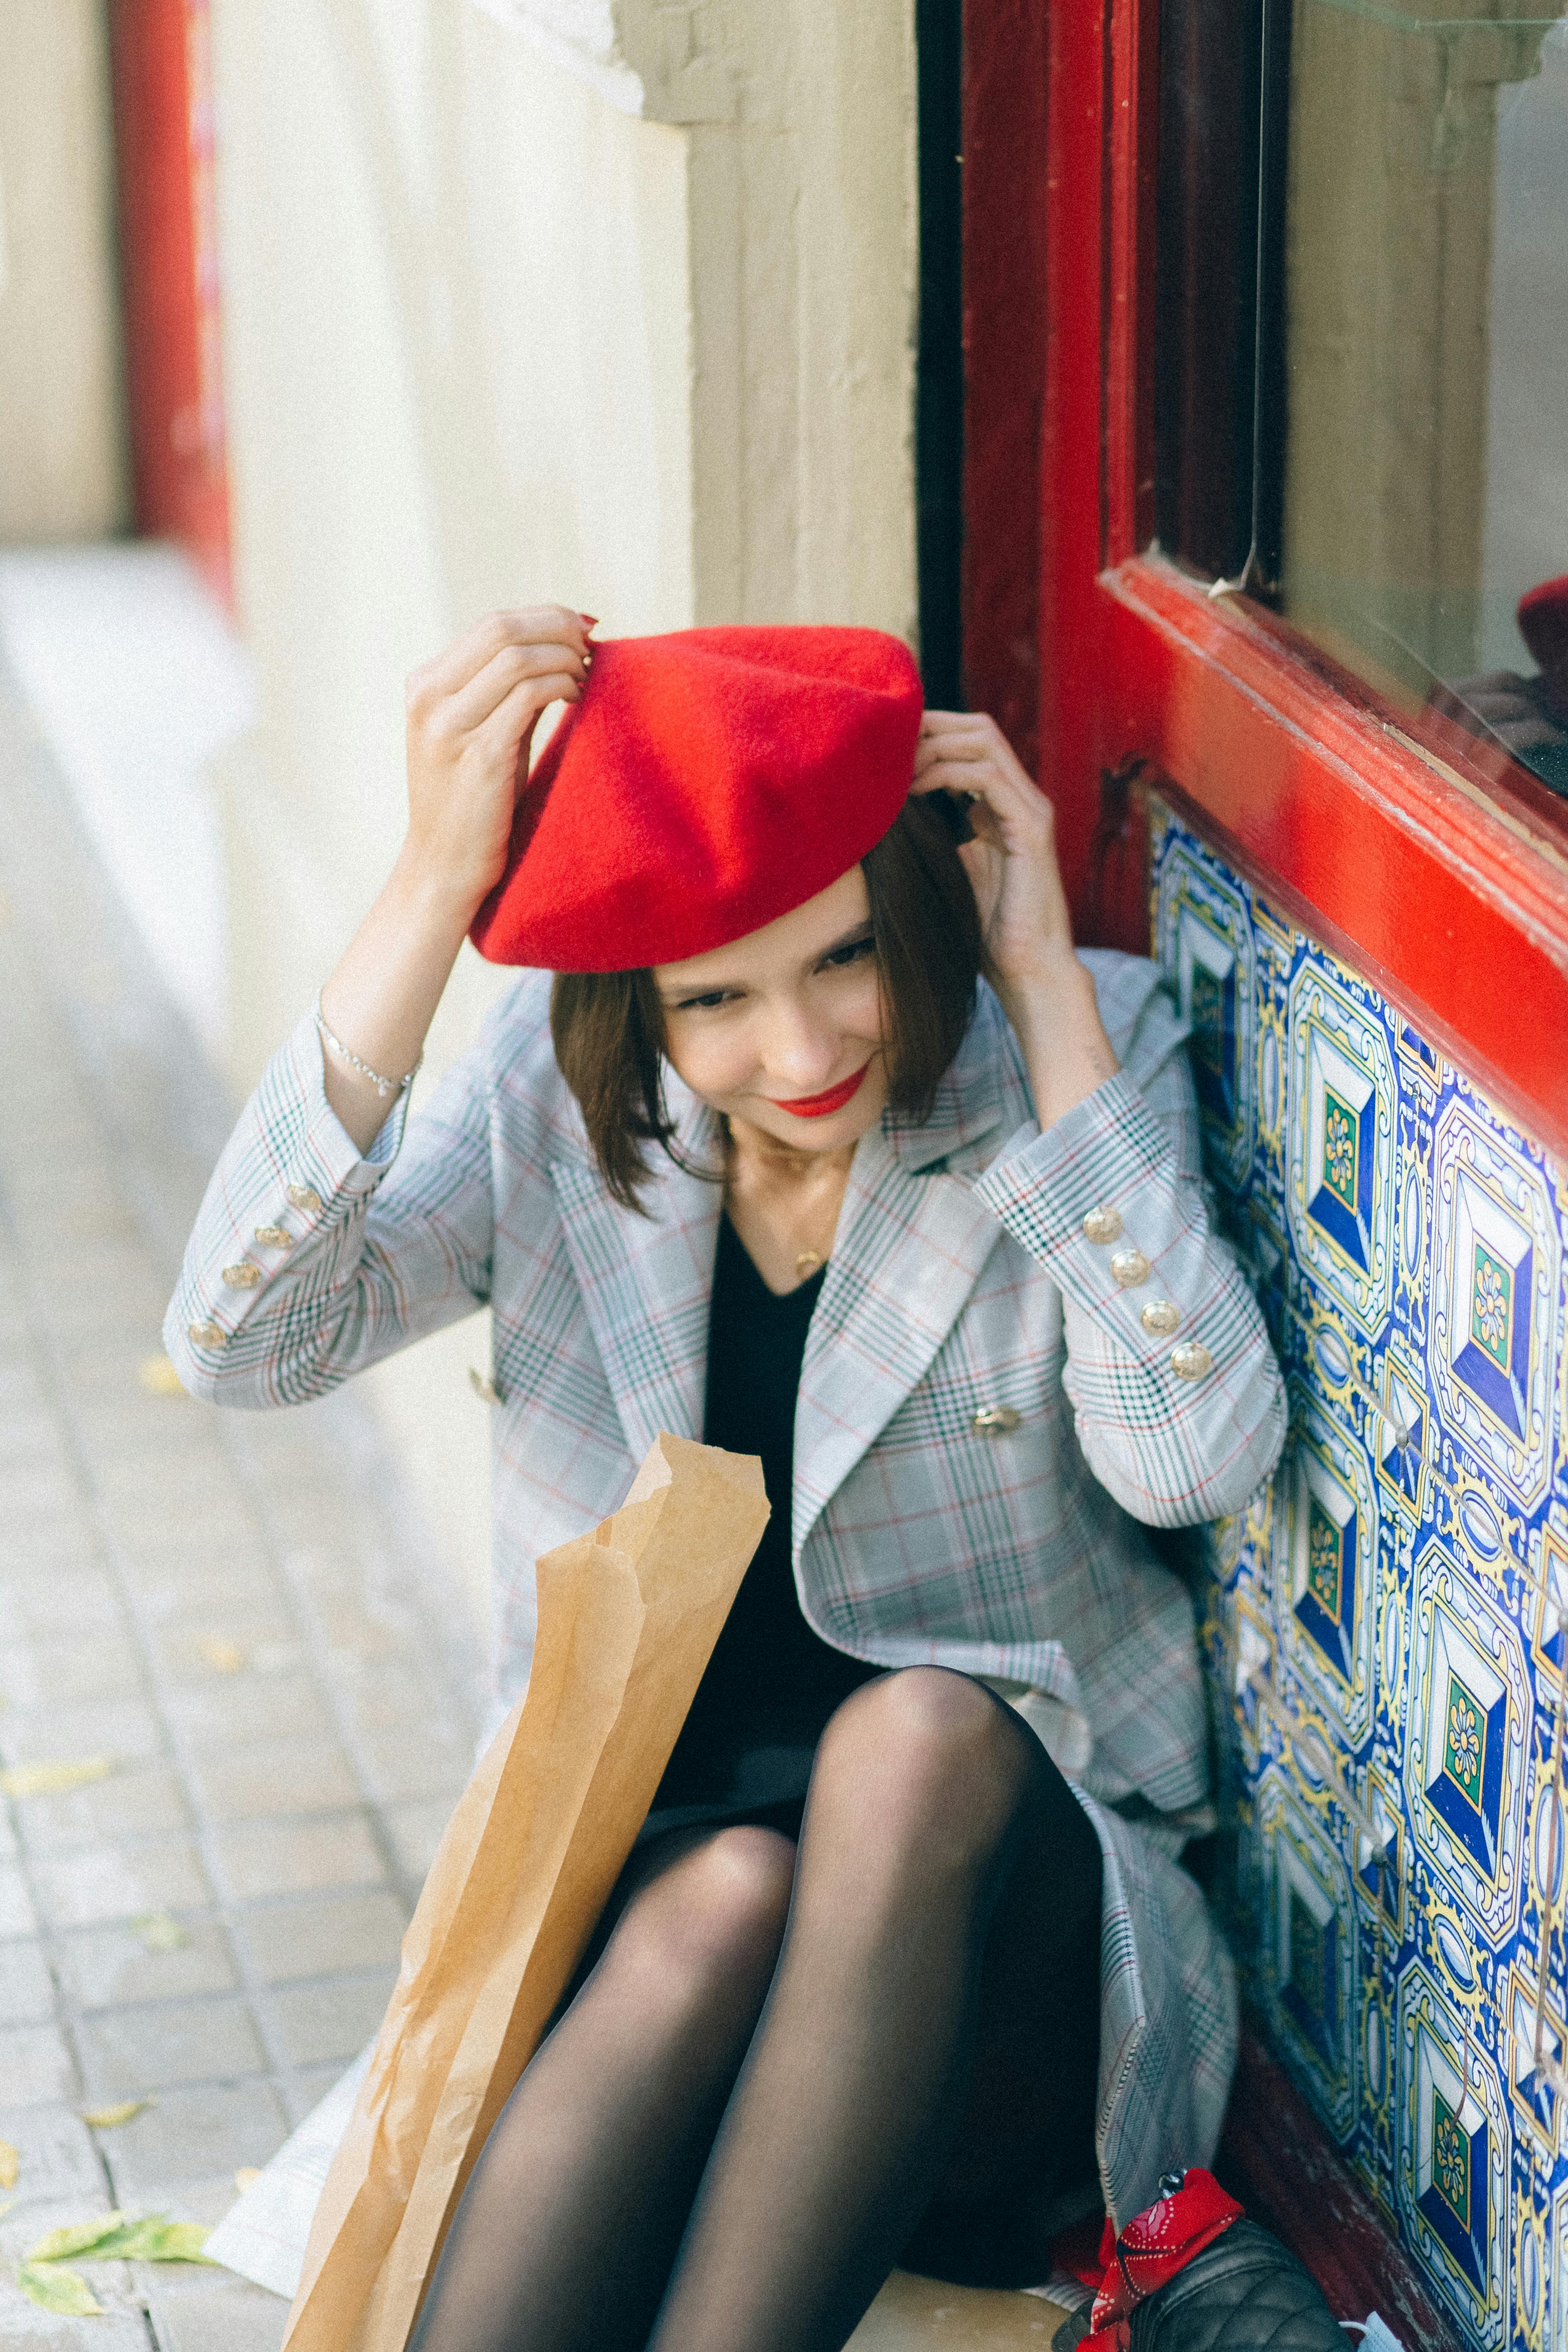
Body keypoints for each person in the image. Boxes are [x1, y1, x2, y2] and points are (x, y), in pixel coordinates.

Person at [167, 609, 1291, 2352]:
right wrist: (427, 890)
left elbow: (1191, 1459)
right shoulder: (561, 1098)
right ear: (639, 994)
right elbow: (248, 1342)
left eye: (843, 958)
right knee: (718, 1903)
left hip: (1001, 1958)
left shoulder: (1070, 1073)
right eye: (716, 998)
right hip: (690, 1938)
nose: (801, 1048)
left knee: (909, 1740)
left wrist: (1050, 995)